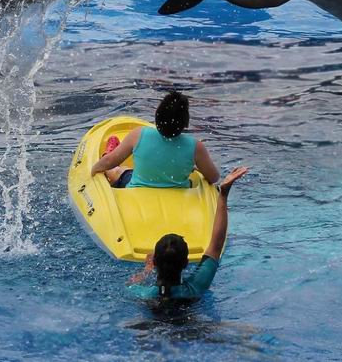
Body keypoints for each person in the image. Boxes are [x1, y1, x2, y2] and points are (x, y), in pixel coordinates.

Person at [126, 166, 248, 300]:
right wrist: (223, 195)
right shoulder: (196, 287)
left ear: (154, 261)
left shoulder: (144, 294)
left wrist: (146, 270)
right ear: (186, 263)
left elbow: (130, 285)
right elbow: (216, 246)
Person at [90, 91, 220, 189]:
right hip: (179, 194)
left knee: (119, 171)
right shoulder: (195, 147)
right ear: (186, 124)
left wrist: (93, 169)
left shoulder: (139, 134)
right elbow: (213, 177)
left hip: (139, 189)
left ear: (156, 117)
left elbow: (109, 162)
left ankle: (109, 152)